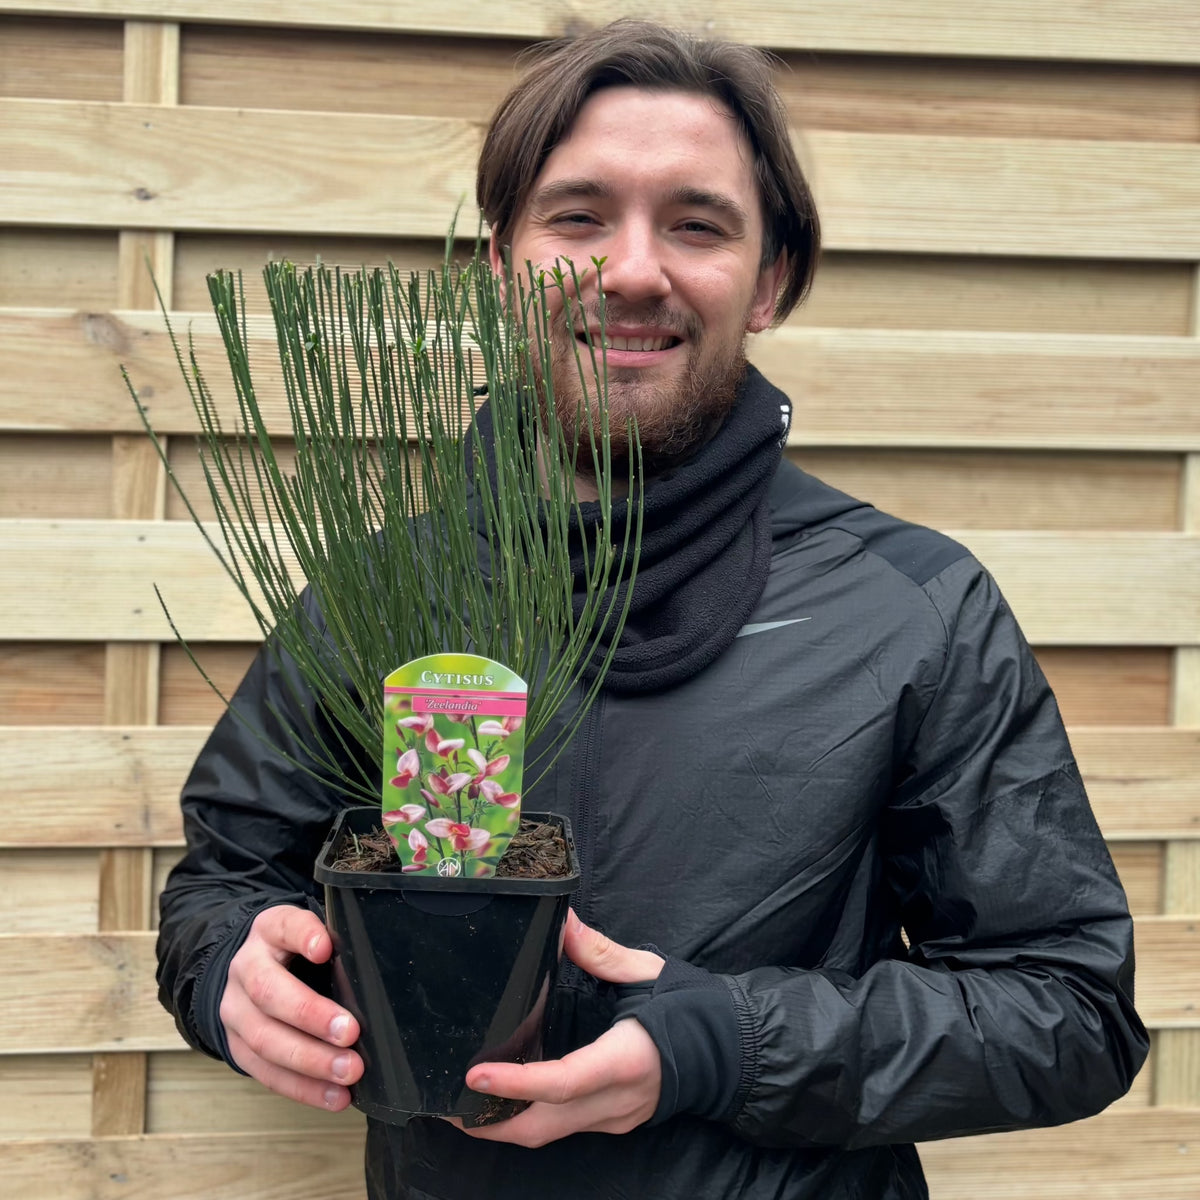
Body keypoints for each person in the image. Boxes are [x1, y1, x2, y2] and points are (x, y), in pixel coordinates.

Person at [157, 19, 1148, 1199]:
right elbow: (227, 881)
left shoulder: (912, 607)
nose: (631, 270)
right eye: (577, 218)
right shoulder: (383, 596)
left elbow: (1069, 1010)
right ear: (499, 268)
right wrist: (234, 973)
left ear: (771, 281)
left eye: (696, 223)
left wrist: (720, 1047)